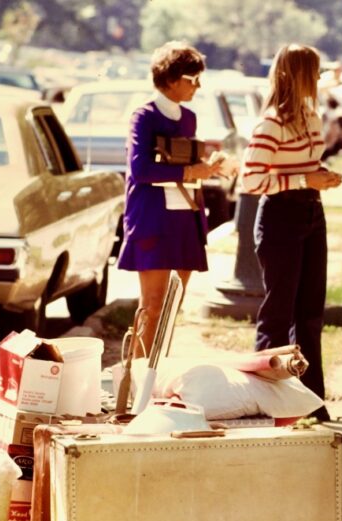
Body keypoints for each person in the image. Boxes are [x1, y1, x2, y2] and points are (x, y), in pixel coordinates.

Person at [241, 44, 342, 421]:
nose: (318, 79)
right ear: (296, 74)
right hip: (280, 218)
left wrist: (322, 177)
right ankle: (268, 397)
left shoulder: (311, 116)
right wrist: (304, 178)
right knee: (278, 313)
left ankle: (311, 400)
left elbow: (307, 166)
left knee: (311, 311)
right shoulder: (270, 123)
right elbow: (251, 179)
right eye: (313, 71)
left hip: (312, 212)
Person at [118, 41, 223, 356]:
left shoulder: (189, 118)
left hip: (184, 216)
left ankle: (157, 376)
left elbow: (187, 164)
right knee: (152, 305)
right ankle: (136, 382)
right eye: (192, 79)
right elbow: (140, 169)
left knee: (172, 306)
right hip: (152, 218)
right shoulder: (144, 116)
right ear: (170, 79)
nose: (198, 86)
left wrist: (212, 168)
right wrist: (192, 172)